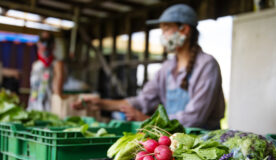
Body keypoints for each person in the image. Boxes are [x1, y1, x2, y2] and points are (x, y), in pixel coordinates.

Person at [73, 4, 225, 129]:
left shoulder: (206, 65)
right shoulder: (167, 68)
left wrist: (145, 119)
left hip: (203, 142)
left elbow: (194, 117)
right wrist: (101, 103)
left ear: (184, 30)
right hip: (173, 138)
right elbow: (143, 100)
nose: (162, 35)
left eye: (166, 29)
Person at [27, 31, 64, 111]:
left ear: (53, 45)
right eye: (42, 41)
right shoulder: (35, 65)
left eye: (48, 41)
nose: (45, 45)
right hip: (33, 107)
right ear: (38, 43)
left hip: (49, 110)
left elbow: (57, 92)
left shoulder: (57, 64)